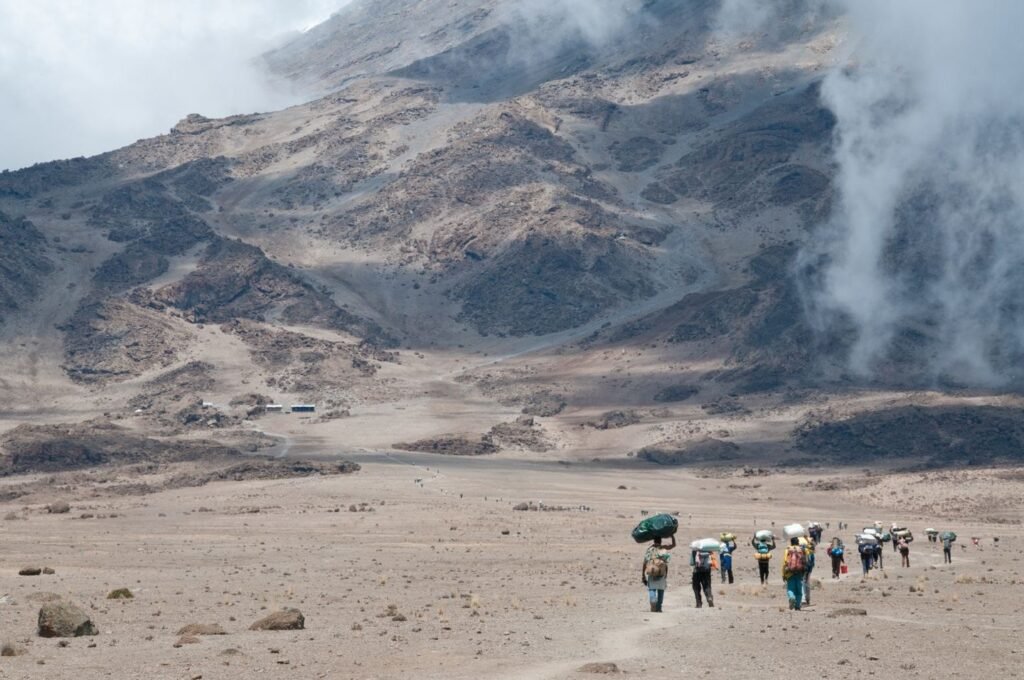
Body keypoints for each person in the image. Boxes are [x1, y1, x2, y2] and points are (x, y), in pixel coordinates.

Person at [641, 535, 676, 612]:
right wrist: (672, 536)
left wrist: (643, 575)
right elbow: (673, 545)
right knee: (661, 590)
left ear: (654, 541)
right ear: (661, 541)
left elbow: (645, 563)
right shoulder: (663, 548)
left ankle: (653, 600)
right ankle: (659, 608)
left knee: (652, 588)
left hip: (652, 572)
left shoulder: (650, 549)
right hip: (662, 573)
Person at [782, 537, 807, 610]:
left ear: (791, 542)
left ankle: (792, 597)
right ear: (798, 542)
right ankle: (797, 606)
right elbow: (805, 561)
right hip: (799, 573)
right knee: (799, 591)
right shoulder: (802, 550)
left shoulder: (787, 550)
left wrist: (783, 574)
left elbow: (784, 562)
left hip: (789, 572)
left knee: (790, 589)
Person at [801, 538, 816, 606]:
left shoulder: (802, 549)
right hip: (809, 569)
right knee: (807, 582)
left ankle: (803, 599)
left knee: (802, 582)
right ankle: (808, 599)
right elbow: (813, 562)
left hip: (803, 569)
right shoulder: (810, 549)